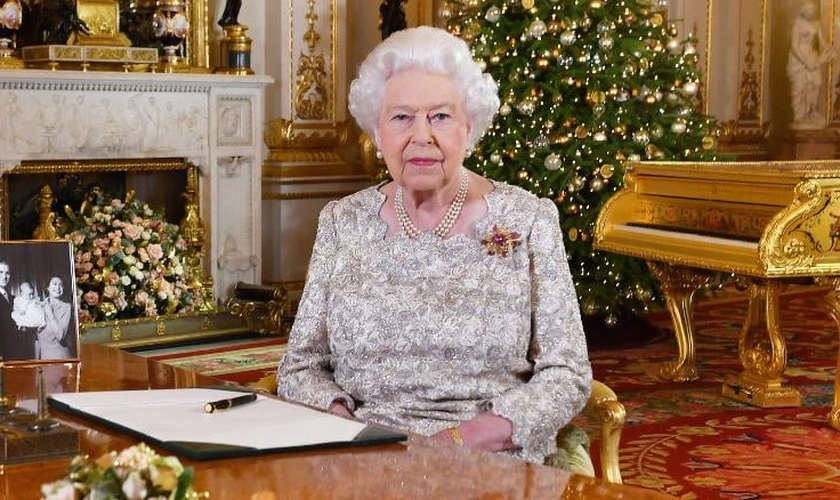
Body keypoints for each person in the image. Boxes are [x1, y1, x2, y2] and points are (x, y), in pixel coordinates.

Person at [277, 26, 592, 465]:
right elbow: (300, 367)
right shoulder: (341, 222)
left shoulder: (529, 219)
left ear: (469, 127)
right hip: (365, 453)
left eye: (440, 117)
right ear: (377, 130)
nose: (421, 136)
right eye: (401, 117)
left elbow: (568, 374)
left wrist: (465, 439)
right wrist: (340, 423)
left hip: (488, 458)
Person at [787, 0, 834, 128]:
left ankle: (812, 112)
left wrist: (829, 48)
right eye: (808, 9)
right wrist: (806, 62)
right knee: (799, 89)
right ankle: (799, 116)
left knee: (817, 83)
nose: (811, 12)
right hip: (799, 59)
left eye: (813, 9)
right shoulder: (797, 26)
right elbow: (794, 46)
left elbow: (822, 42)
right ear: (802, 10)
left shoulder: (816, 24)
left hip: (811, 56)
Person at [36, 276, 73, 360]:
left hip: (60, 356)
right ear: (48, 287)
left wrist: (50, 314)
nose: (58, 287)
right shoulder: (38, 306)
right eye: (55, 284)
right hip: (43, 357)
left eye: (61, 285)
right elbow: (36, 339)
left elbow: (60, 336)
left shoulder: (67, 307)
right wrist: (36, 361)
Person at [12, 281, 45, 359]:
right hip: (24, 319)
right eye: (29, 294)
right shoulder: (18, 299)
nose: (31, 296)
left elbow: (39, 305)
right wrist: (19, 310)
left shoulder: (33, 299)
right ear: (22, 293)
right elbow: (15, 309)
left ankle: (40, 324)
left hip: (33, 319)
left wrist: (40, 303)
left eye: (32, 293)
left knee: (36, 340)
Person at [0, 260, 13, 360]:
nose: (4, 276)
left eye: (7, 273)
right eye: (0, 272)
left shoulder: (14, 299)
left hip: (14, 353)